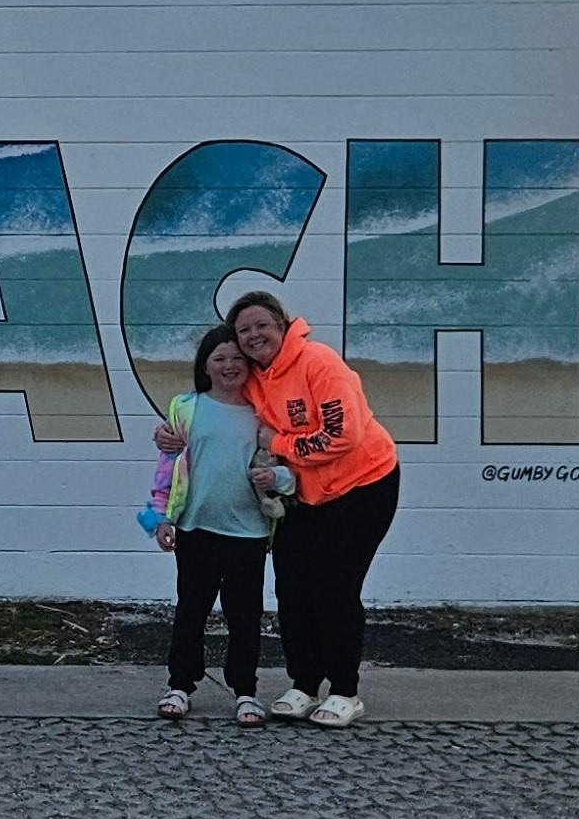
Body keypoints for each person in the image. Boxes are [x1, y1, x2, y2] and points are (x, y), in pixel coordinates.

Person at [154, 292, 399, 726]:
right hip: (302, 493)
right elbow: (212, 409)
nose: (254, 336)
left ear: (283, 325)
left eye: (262, 325)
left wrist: (280, 444)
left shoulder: (319, 363)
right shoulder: (254, 377)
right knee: (293, 588)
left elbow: (342, 435)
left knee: (335, 587)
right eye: (244, 330)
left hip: (362, 486)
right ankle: (304, 683)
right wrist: (169, 433)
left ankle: (345, 690)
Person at [139, 323, 285, 725]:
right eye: (219, 358)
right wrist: (160, 517)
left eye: (237, 357)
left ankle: (245, 691)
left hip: (249, 533)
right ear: (205, 365)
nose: (229, 365)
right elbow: (167, 468)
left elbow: (282, 466)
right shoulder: (185, 408)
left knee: (245, 616)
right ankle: (180, 686)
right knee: (191, 611)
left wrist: (276, 479)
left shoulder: (264, 414)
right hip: (195, 530)